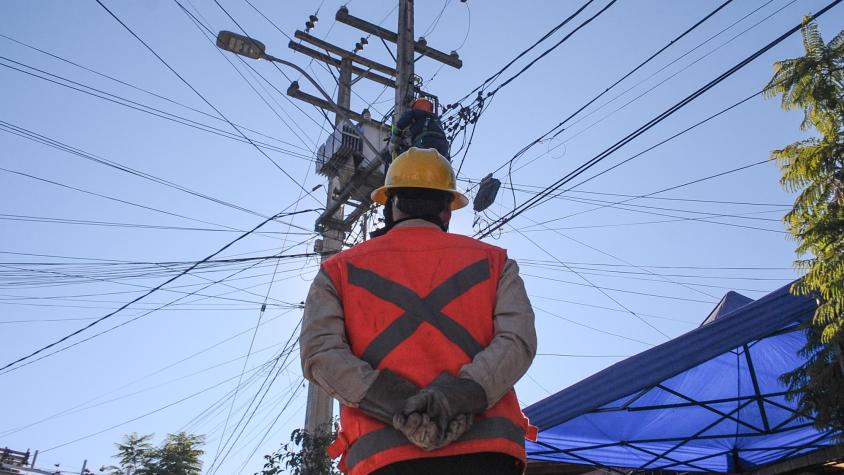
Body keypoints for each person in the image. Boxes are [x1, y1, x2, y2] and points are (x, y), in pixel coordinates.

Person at [300, 147, 537, 475]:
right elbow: (517, 341)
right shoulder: (496, 263)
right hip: (488, 451)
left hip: (382, 455)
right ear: (447, 211)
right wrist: (456, 398)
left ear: (391, 206)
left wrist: (400, 406)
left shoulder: (338, 271)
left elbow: (320, 353)